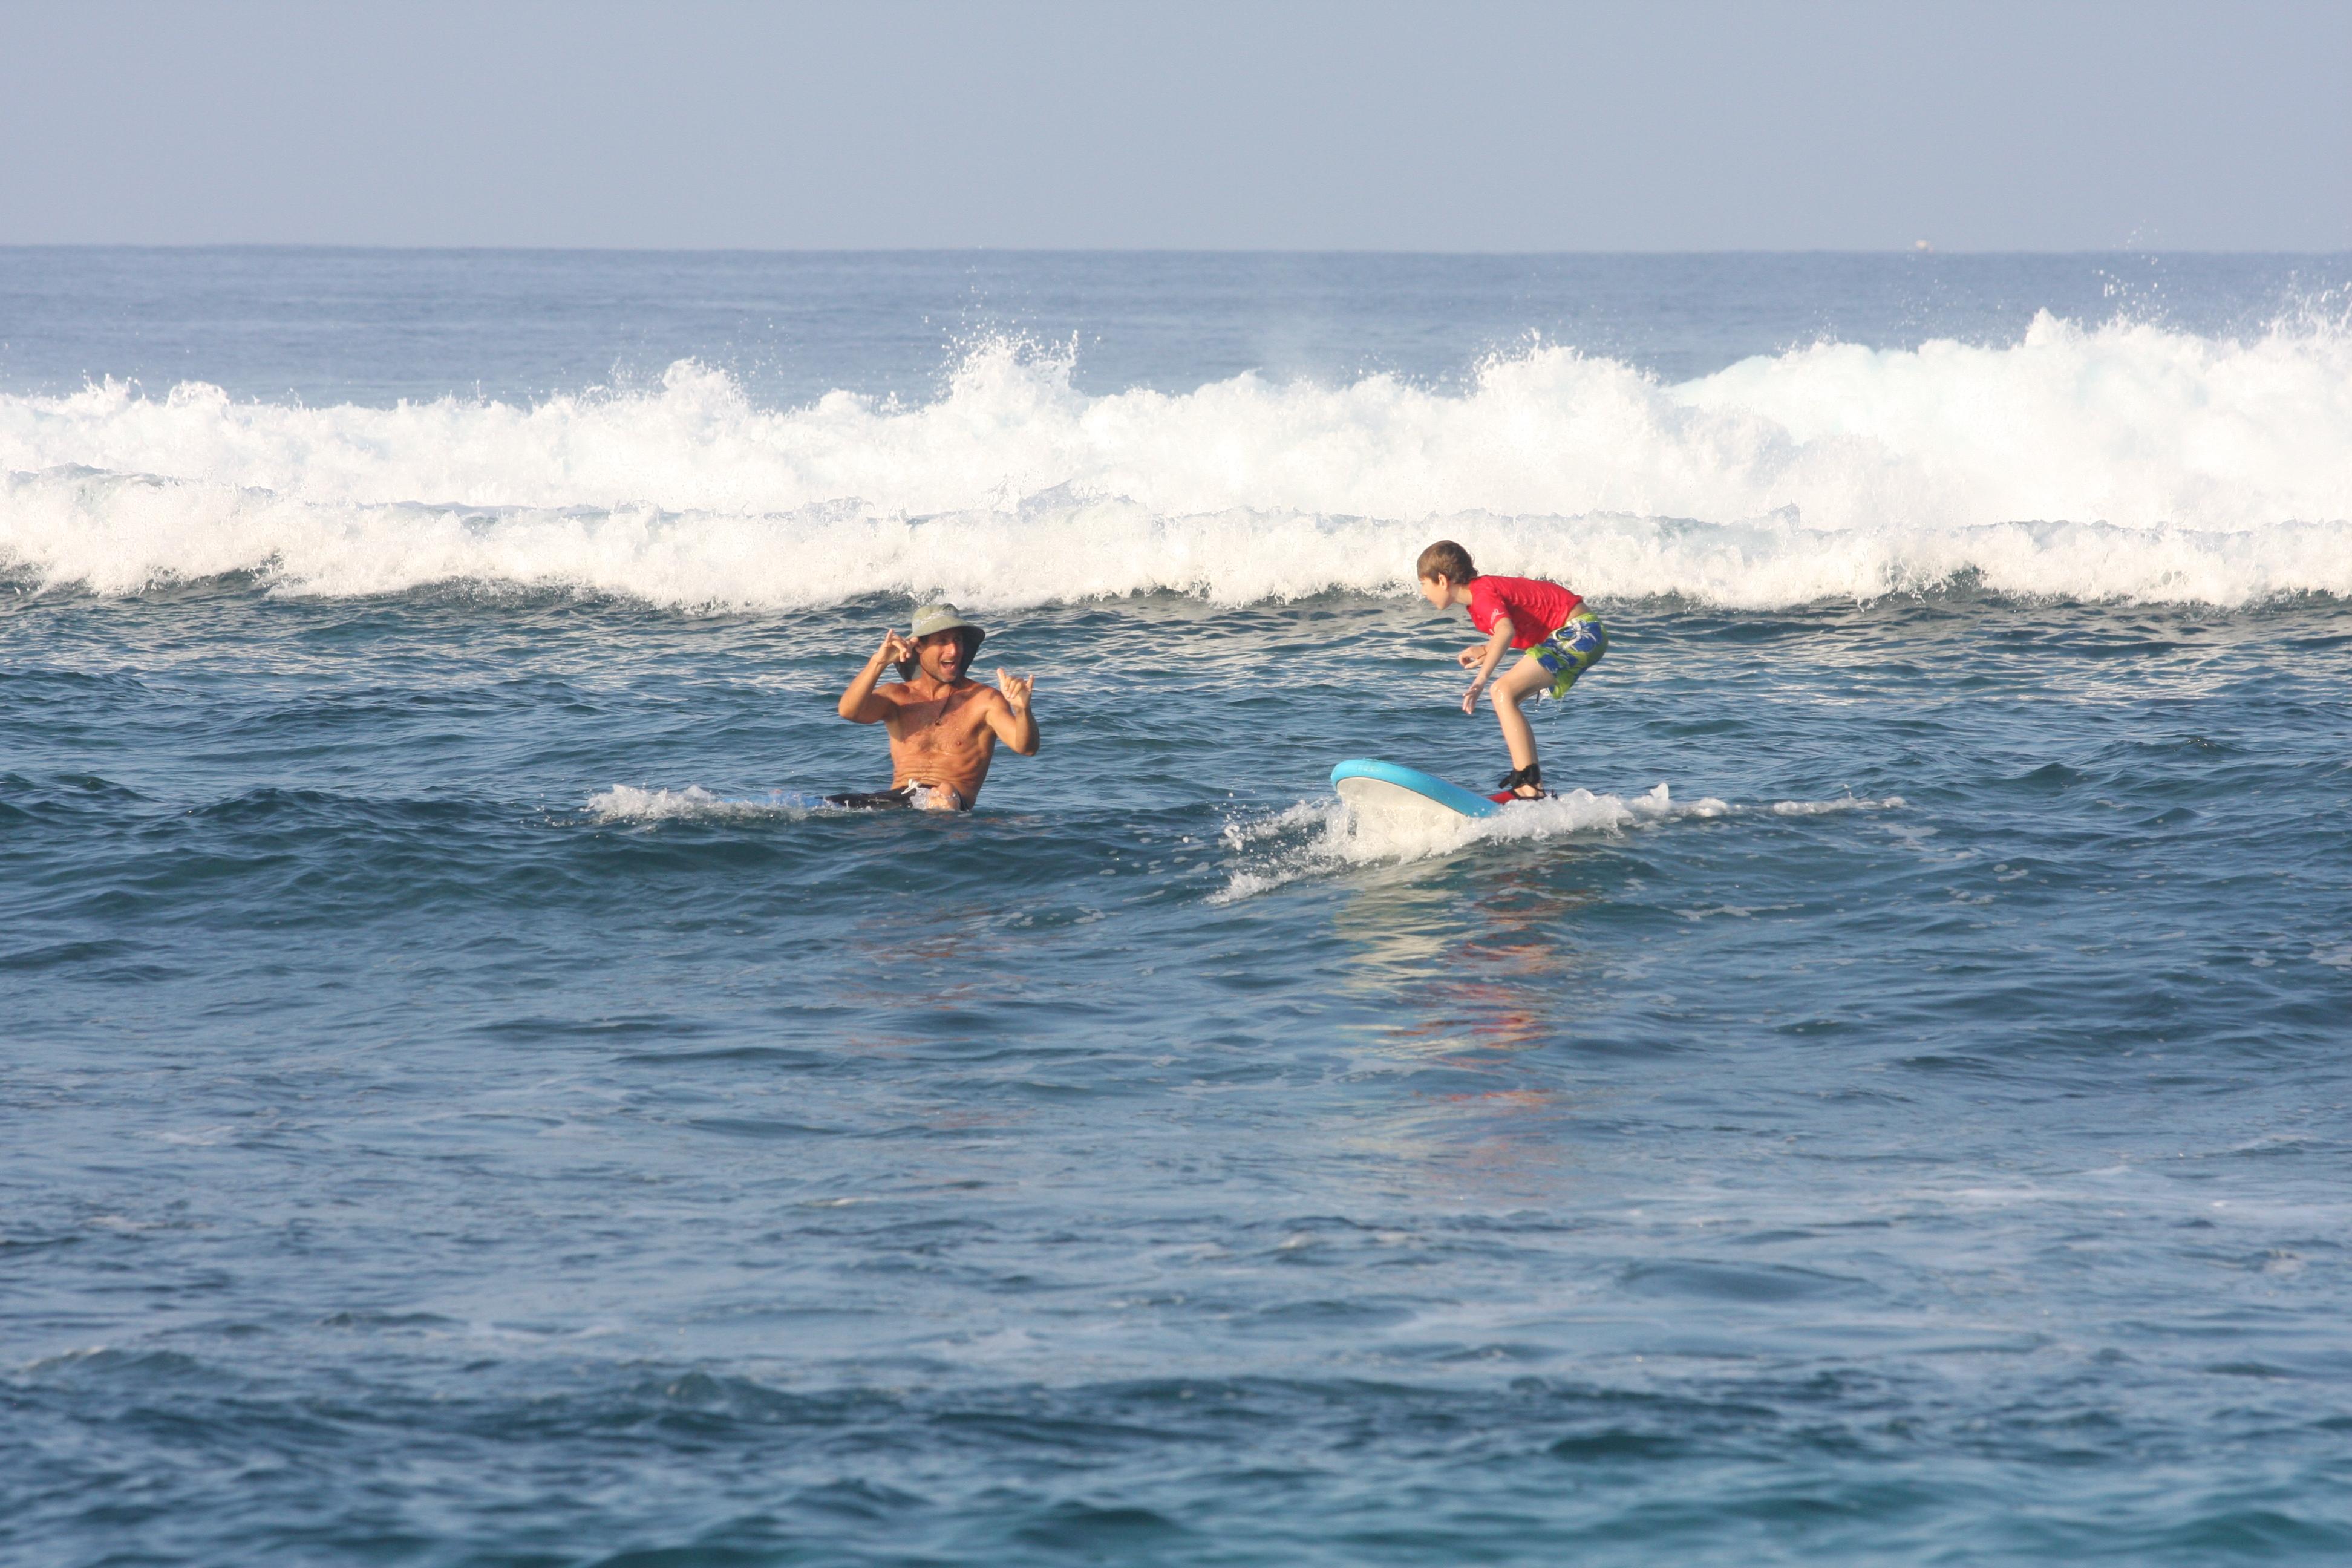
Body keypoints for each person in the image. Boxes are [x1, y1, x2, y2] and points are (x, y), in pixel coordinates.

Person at [1414, 540, 1606, 800]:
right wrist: (1485, 649)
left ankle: (1529, 787)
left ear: (1442, 580)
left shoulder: (1482, 594)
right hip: (1577, 633)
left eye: (1424, 583)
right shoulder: (1479, 599)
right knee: (1506, 695)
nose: (1423, 592)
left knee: (1501, 690)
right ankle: (1531, 786)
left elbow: (1506, 630)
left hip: (1580, 632)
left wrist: (1481, 679)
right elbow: (1517, 622)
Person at [831, 603, 1038, 810]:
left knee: (945, 789)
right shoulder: (897, 697)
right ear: (919, 646)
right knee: (832, 803)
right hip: (900, 803)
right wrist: (878, 663)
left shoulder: (984, 700)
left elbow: (1026, 748)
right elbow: (849, 711)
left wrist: (1022, 710)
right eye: (942, 641)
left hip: (951, 804)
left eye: (957, 640)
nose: (954, 650)